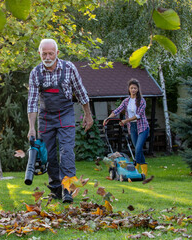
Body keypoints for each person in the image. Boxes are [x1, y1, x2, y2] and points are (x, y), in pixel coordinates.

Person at [27, 39, 93, 203]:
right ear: (39, 54)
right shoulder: (36, 73)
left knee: (67, 151)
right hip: (46, 117)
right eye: (44, 54)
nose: (47, 57)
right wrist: (31, 128)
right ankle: (56, 189)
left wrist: (88, 115)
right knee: (48, 155)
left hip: (65, 114)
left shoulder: (69, 68)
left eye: (51, 53)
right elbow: (32, 102)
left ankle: (68, 189)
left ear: (57, 53)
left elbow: (80, 92)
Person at [103, 79, 149, 176]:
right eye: (131, 88)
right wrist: (107, 118)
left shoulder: (142, 101)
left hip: (142, 127)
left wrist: (125, 120)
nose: (133, 90)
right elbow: (117, 111)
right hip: (132, 127)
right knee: (138, 149)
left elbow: (138, 115)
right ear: (129, 89)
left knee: (138, 148)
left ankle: (135, 168)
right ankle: (143, 170)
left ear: (138, 89)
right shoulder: (126, 101)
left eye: (135, 88)